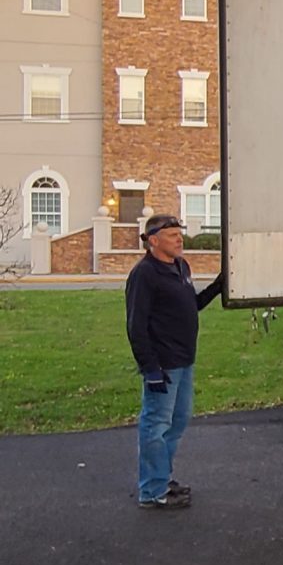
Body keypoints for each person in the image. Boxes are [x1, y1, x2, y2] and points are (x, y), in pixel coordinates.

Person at [125, 214, 223, 508]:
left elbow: (191, 305)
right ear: (153, 241)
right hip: (163, 365)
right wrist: (150, 368)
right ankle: (152, 491)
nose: (179, 239)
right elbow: (136, 326)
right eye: (171, 235)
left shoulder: (181, 266)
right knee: (155, 425)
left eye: (179, 234)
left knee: (177, 423)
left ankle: (162, 479)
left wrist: (220, 285)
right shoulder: (144, 274)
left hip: (184, 360)